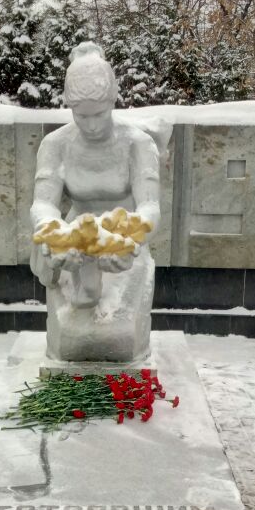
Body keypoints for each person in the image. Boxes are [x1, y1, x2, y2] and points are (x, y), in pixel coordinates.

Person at [30, 42, 161, 361]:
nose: (91, 125)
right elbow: (43, 203)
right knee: (73, 336)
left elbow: (150, 206)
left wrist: (132, 240)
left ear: (113, 100)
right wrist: (53, 232)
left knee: (117, 336)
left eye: (99, 114)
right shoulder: (56, 144)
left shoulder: (137, 144)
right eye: (81, 115)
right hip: (73, 244)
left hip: (123, 241)